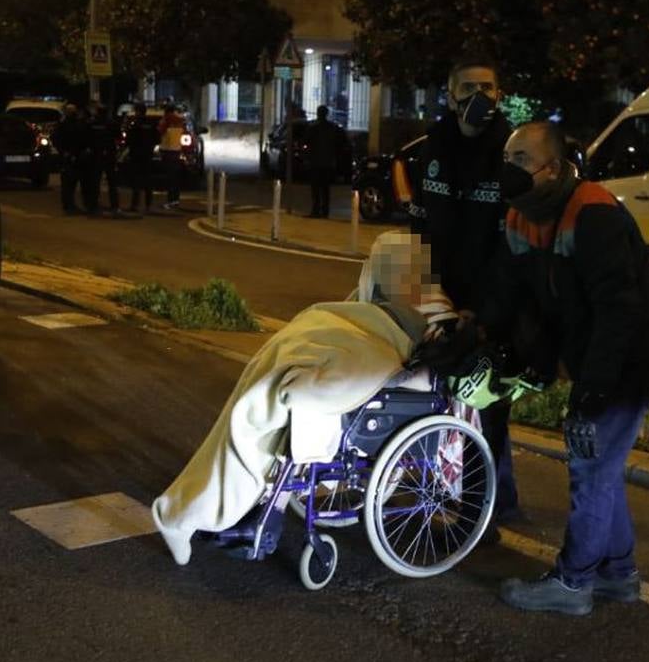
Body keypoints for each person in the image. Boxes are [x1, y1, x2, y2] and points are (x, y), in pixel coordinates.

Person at [150, 231, 459, 566]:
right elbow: (348, 315)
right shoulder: (383, 296)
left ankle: (215, 509)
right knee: (272, 387)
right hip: (338, 347)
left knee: (280, 402)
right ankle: (226, 507)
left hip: (371, 367)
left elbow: (422, 371)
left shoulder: (439, 315)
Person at [483, 122, 649, 617]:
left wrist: (593, 389)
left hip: (631, 356)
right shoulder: (519, 216)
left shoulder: (593, 212)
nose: (511, 169)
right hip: (594, 352)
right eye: (509, 157)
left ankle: (573, 585)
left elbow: (619, 309)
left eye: (523, 159)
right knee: (602, 467)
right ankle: (618, 575)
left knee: (590, 464)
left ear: (553, 167)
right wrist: (488, 340)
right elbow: (517, 297)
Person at [408, 56, 521, 525]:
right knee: (433, 402)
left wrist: (484, 310)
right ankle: (457, 494)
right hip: (438, 301)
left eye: (489, 87)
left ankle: (485, 513)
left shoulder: (511, 155)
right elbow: (416, 229)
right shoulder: (429, 149)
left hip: (488, 308)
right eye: (470, 87)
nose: (481, 97)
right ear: (450, 95)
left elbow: (512, 248)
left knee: (487, 411)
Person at [51, 103, 92, 215]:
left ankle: (71, 205)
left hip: (76, 157)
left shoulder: (75, 124)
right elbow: (56, 139)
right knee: (68, 183)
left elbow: (82, 139)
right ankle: (68, 206)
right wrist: (64, 152)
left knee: (72, 183)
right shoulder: (64, 125)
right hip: (69, 157)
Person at [306, 105, 346, 218]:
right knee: (325, 188)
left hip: (316, 162)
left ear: (318, 114)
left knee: (316, 188)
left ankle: (316, 210)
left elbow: (306, 142)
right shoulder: (333, 128)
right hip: (328, 163)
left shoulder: (313, 128)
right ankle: (325, 211)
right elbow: (341, 143)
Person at [85, 102, 121, 215]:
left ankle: (93, 205)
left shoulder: (92, 123)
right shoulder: (112, 123)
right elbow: (118, 136)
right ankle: (114, 205)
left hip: (96, 155)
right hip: (109, 154)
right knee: (112, 182)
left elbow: (87, 138)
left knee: (95, 181)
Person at [124, 103, 159, 214]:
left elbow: (128, 140)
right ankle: (148, 205)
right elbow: (157, 139)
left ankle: (135, 205)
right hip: (148, 155)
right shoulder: (151, 124)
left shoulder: (135, 124)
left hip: (136, 155)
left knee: (136, 181)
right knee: (148, 181)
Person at [156, 101, 187, 210]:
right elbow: (185, 134)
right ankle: (175, 200)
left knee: (170, 178)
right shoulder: (181, 120)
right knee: (175, 178)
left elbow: (159, 132)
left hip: (167, 151)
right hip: (177, 151)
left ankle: (171, 201)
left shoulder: (166, 120)